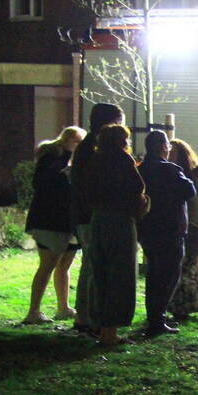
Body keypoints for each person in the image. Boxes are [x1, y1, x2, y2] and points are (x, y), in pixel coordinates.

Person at [87, 123, 148, 346]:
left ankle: (102, 328)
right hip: (120, 221)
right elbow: (137, 187)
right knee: (119, 275)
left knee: (101, 273)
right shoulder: (123, 161)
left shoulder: (94, 161)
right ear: (122, 141)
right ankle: (111, 333)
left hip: (98, 220)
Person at [22, 125, 86, 324]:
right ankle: (33, 311)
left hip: (66, 220)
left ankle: (63, 307)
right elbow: (47, 186)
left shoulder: (63, 159)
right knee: (49, 264)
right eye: (78, 142)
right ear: (69, 140)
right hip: (52, 220)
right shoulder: (53, 160)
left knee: (64, 265)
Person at [71, 103, 125, 336]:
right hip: (90, 215)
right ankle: (89, 318)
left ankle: (85, 316)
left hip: (86, 213)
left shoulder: (88, 146)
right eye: (119, 122)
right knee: (94, 267)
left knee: (90, 266)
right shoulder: (94, 149)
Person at [138, 130, 196, 338]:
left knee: (154, 273)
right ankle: (158, 319)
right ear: (163, 147)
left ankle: (153, 316)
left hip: (148, 228)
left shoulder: (141, 169)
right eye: (168, 146)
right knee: (169, 274)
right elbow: (189, 191)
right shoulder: (170, 169)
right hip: (171, 228)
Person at [167, 139, 198, 320]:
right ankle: (178, 306)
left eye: (173, 151)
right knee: (177, 269)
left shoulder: (196, 175)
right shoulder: (166, 173)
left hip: (193, 228)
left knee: (190, 269)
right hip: (174, 228)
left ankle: (185, 307)